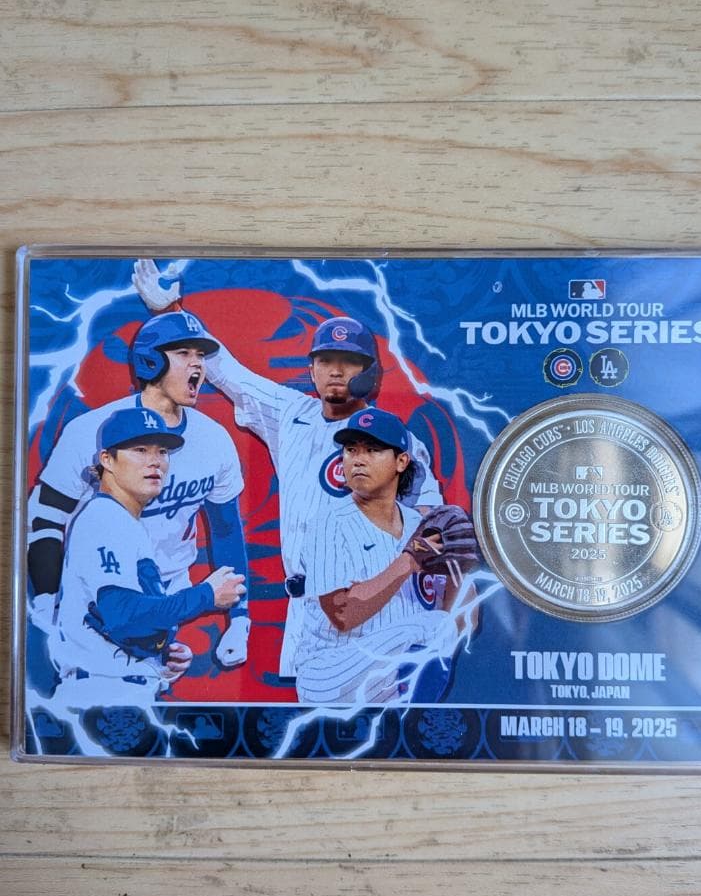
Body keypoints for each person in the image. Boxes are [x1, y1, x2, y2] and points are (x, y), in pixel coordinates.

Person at [132, 259, 444, 681]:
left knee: (370, 711)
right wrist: (170, 312)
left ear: (369, 371)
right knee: (311, 714)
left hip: (370, 607)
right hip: (305, 609)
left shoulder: (395, 440)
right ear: (311, 368)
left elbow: (430, 521)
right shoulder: (292, 414)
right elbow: (229, 373)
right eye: (326, 360)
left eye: (349, 361)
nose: (336, 371)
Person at [27, 310, 252, 668]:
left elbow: (225, 528)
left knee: (148, 681)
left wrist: (239, 617)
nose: (197, 363)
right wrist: (46, 601)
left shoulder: (213, 439)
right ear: (151, 361)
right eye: (183, 353)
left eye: (200, 354)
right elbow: (45, 519)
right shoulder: (91, 431)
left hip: (170, 592)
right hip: (103, 588)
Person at [48, 408, 246, 729]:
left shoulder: (124, 521)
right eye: (140, 450)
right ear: (107, 460)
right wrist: (206, 596)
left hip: (118, 693)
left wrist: (159, 652)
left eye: (162, 451)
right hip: (100, 697)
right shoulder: (104, 518)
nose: (155, 461)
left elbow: (117, 622)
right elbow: (122, 613)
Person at [296, 408, 462, 705]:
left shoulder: (419, 525)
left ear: (401, 461)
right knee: (432, 625)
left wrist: (458, 570)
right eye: (351, 450)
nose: (358, 460)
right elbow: (342, 614)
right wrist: (409, 561)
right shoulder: (329, 522)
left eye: (372, 450)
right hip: (329, 672)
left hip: (386, 675)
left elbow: (461, 621)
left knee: (441, 625)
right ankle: (411, 723)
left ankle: (408, 721)